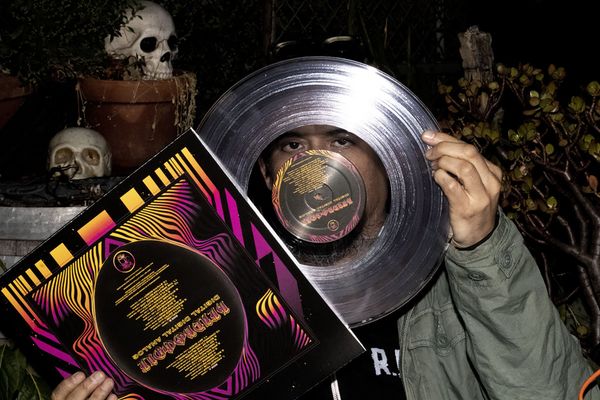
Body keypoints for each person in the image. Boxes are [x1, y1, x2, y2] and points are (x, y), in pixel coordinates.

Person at [51, 128, 599, 400]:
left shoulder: (452, 280)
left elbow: (553, 392)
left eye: (342, 139)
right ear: (267, 176)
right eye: (292, 146)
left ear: (387, 156)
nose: (317, 164)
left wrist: (483, 250)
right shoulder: (216, 293)